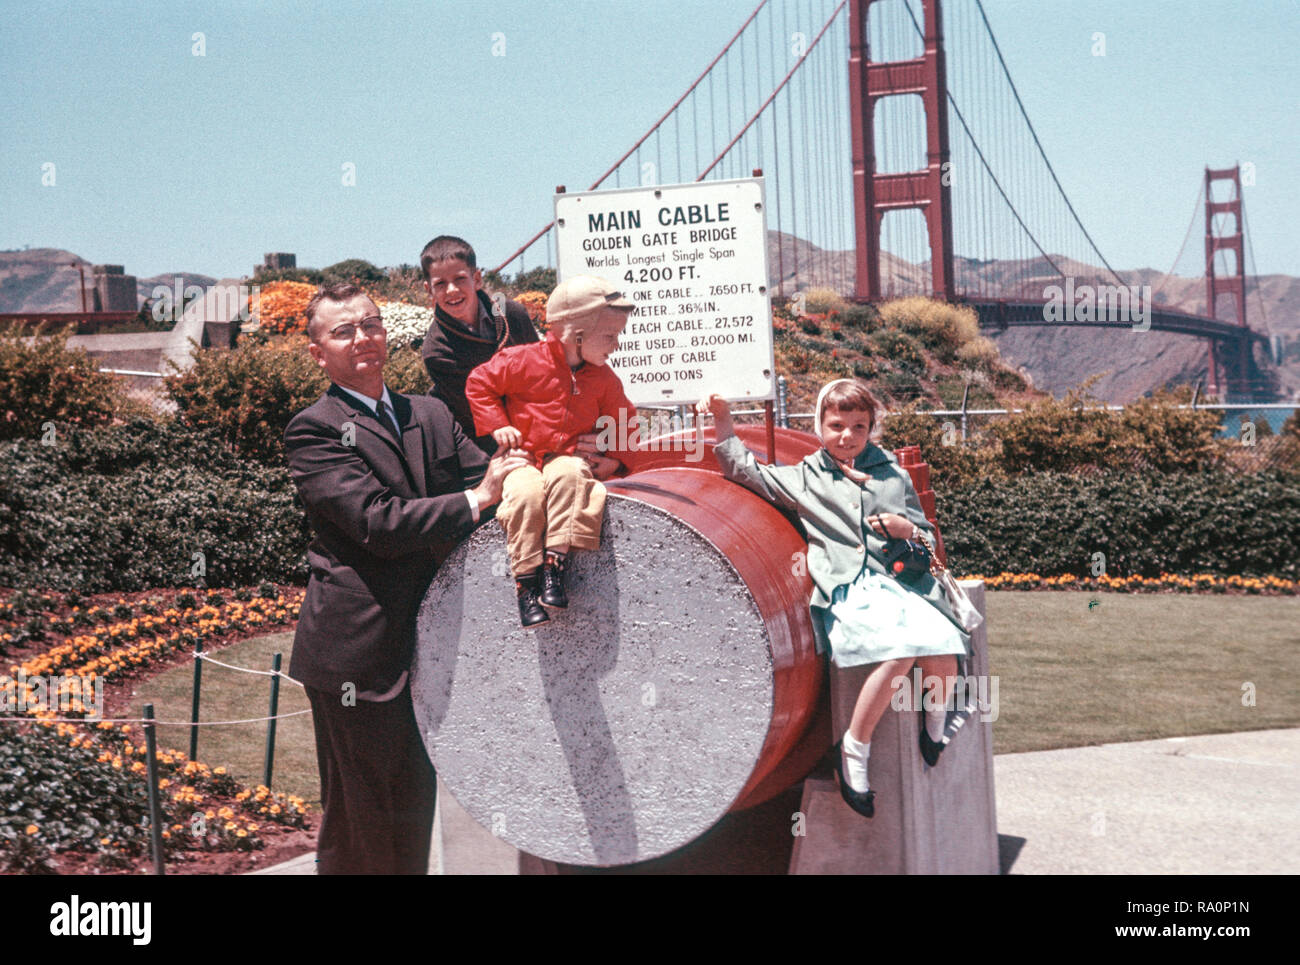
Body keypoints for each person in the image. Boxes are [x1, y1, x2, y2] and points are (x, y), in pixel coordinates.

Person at [284, 282, 528, 873]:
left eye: (370, 324)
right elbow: (378, 523)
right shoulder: (313, 430)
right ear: (318, 352)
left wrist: (534, 471)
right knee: (361, 821)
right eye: (343, 331)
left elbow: (491, 487)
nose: (362, 338)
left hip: (430, 651)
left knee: (414, 812)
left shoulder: (431, 413)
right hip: (358, 655)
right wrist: (477, 497)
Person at [698, 378, 971, 819]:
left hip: (902, 583)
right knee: (900, 653)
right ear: (820, 424)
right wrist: (723, 421)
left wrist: (907, 530)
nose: (847, 436)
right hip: (853, 589)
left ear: (871, 429)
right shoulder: (807, 478)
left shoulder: (892, 475)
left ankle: (934, 725)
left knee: (945, 648)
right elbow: (744, 470)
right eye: (837, 424)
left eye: (859, 427)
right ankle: (855, 751)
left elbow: (927, 537)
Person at [464, 275, 637, 627]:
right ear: (577, 333)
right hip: (523, 458)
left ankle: (554, 567)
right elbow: (479, 384)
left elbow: (624, 421)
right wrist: (497, 424)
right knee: (525, 495)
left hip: (567, 457)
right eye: (610, 335)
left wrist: (614, 460)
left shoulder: (603, 378)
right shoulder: (521, 360)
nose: (616, 345)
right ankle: (525, 584)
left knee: (572, 475)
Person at [418, 235, 540, 452]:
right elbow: (476, 409)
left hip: (538, 420)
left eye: (460, 279)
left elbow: (542, 373)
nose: (452, 290)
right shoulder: (437, 350)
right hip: (485, 440)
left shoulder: (513, 314)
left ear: (477, 279)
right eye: (440, 284)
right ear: (429, 290)